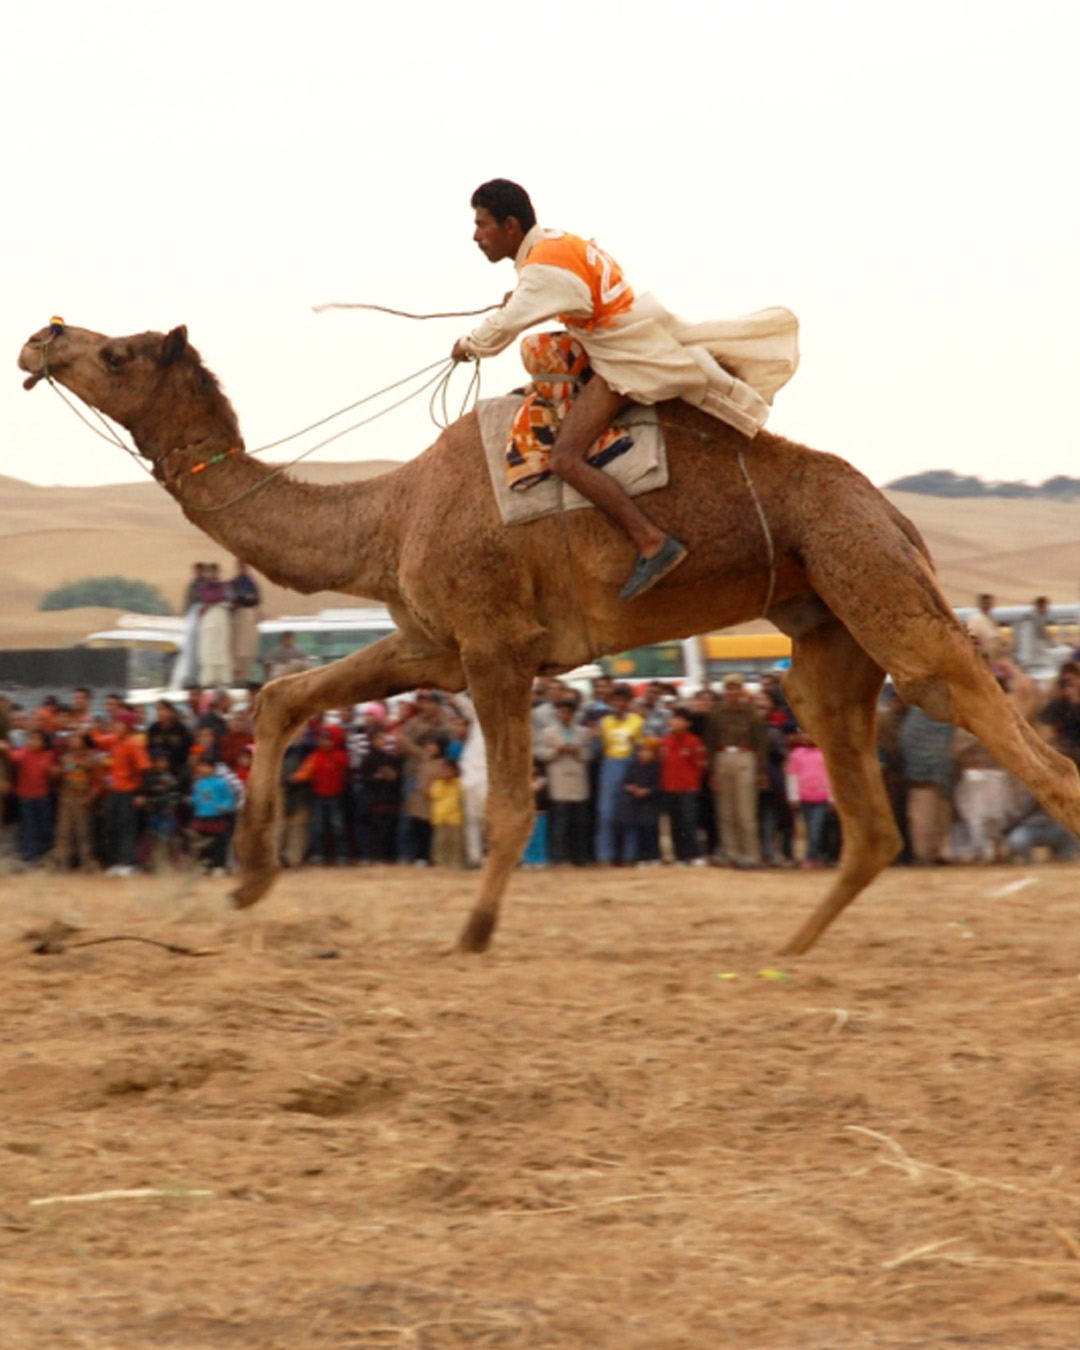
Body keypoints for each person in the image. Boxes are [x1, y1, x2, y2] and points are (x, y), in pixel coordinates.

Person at [452, 180, 798, 601]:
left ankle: (651, 541)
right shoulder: (557, 245)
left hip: (622, 358)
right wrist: (521, 297)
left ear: (509, 225)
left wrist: (468, 346)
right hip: (619, 339)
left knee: (563, 457)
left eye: (481, 224)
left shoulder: (542, 268)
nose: (475, 235)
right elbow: (560, 296)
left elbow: (505, 327)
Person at [706, 674, 767, 867]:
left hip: (745, 757)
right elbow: (710, 743)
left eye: (736, 688)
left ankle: (751, 855)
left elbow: (761, 743)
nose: (732, 692)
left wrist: (761, 771)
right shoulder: (716, 713)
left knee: (745, 811)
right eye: (729, 688)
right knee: (726, 811)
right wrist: (712, 771)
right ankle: (731, 854)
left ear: (741, 690)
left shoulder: (751, 713)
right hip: (722, 757)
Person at [535, 698, 593, 866]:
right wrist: (557, 751)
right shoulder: (548, 732)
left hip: (578, 782)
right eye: (562, 712)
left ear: (573, 715)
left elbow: (590, 755)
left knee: (579, 824)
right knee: (559, 824)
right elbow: (540, 753)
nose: (565, 715)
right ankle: (557, 857)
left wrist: (578, 751)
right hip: (559, 782)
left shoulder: (583, 732)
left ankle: (579, 858)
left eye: (568, 712)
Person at [593, 684, 644, 863]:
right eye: (616, 701)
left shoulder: (637, 721)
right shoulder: (605, 722)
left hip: (629, 764)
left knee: (628, 812)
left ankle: (630, 855)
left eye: (623, 701)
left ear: (628, 702)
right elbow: (602, 747)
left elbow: (639, 748)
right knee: (606, 813)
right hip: (610, 764)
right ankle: (605, 855)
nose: (619, 704)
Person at [659, 706, 707, 864]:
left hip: (688, 788)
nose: (674, 722)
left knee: (689, 822)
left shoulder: (694, 741)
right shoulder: (665, 741)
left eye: (678, 719)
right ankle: (679, 855)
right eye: (673, 718)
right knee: (675, 823)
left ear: (687, 723)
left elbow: (700, 765)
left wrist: (693, 783)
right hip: (670, 787)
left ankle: (694, 854)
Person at [189, 755, 237, 874]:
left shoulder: (221, 783)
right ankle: (204, 865)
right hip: (201, 815)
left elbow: (228, 798)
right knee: (203, 842)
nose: (203, 769)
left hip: (216, 815)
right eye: (201, 766)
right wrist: (193, 802)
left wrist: (225, 806)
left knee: (219, 842)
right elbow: (196, 797)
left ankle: (218, 865)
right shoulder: (198, 783)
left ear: (213, 768)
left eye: (206, 766)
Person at [619, 740, 663, 864]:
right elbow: (624, 783)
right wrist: (631, 788)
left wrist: (647, 791)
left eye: (647, 751)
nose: (643, 754)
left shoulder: (657, 767)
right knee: (639, 830)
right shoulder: (633, 766)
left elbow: (660, 786)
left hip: (651, 802)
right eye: (641, 751)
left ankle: (654, 856)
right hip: (635, 803)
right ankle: (642, 857)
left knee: (651, 829)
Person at [228, 560, 262, 687]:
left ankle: (245, 678)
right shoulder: (233, 583)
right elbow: (233, 599)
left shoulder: (252, 583)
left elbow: (256, 599)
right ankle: (237, 678)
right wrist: (244, 599)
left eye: (244, 566)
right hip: (238, 618)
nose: (243, 568)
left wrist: (244, 599)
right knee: (237, 649)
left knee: (248, 649)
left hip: (249, 617)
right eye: (240, 566)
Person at [429, 758, 466, 868]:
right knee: (440, 842)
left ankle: (455, 862)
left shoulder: (458, 784)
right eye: (444, 770)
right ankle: (440, 862)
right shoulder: (437, 784)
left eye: (449, 770)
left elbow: (461, 798)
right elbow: (434, 795)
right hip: (440, 817)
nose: (446, 773)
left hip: (455, 817)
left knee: (455, 842)